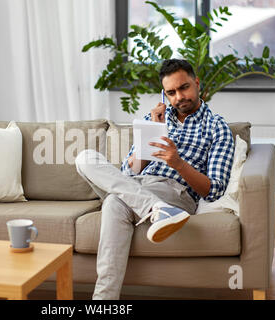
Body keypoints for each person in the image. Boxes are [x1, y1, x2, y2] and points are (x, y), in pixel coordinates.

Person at [75, 59, 235, 300]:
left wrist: (177, 162)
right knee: (85, 158)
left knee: (114, 203)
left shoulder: (217, 126)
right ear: (164, 94)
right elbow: (126, 173)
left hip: (175, 192)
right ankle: (156, 210)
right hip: (137, 186)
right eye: (171, 92)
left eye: (184, 88)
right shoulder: (155, 119)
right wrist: (151, 140)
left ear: (197, 83)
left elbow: (213, 190)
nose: (179, 97)